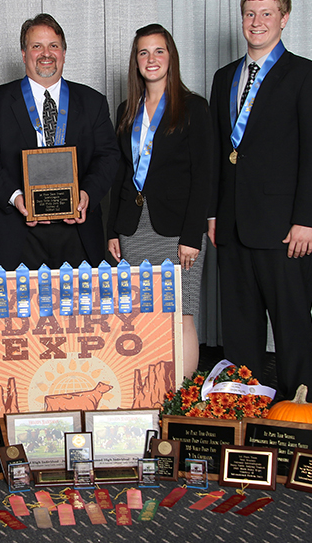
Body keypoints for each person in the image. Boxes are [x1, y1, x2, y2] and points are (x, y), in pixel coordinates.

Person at [207, 0, 312, 402]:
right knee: (240, 328)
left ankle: (300, 413)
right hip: (231, 226)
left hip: (284, 229)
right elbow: (215, 152)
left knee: (292, 324)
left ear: (284, 18)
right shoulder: (224, 77)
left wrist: (307, 220)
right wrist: (212, 214)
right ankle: (245, 407)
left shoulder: (307, 75)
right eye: (249, 13)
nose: (256, 22)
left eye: (266, 13)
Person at [0, 13, 120, 271]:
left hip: (78, 231)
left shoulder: (93, 102)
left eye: (53, 46)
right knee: (18, 312)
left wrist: (86, 195)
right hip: (16, 230)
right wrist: (16, 198)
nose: (46, 53)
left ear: (64, 52)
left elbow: (108, 156)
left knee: (79, 310)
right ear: (23, 53)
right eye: (36, 46)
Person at [106, 24, 214, 379]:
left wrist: (191, 237)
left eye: (159, 51)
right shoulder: (127, 109)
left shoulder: (194, 108)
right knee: (142, 313)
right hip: (134, 230)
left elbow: (204, 177)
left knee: (180, 313)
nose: (151, 59)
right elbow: (121, 174)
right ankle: (148, 389)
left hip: (177, 231)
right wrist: (112, 230)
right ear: (135, 61)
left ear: (171, 57)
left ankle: (179, 397)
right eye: (143, 52)